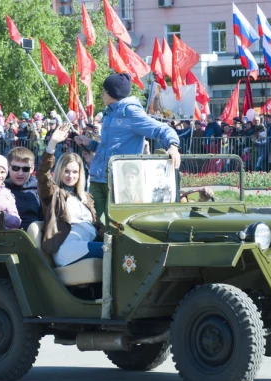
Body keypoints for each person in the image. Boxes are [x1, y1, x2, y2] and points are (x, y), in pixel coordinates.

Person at [75, 73, 180, 220]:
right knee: (95, 224)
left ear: (113, 93)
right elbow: (110, 148)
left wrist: (173, 145)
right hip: (97, 179)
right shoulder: (110, 113)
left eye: (105, 90)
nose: (102, 93)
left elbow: (162, 129)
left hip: (119, 182)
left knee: (115, 227)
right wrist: (90, 143)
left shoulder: (131, 112)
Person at [37, 123, 104, 267]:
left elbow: (99, 226)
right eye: (66, 171)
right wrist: (52, 144)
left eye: (75, 172)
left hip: (88, 243)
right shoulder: (54, 194)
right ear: (60, 171)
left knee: (122, 248)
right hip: (68, 249)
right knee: (110, 250)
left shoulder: (86, 198)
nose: (70, 176)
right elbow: (43, 175)